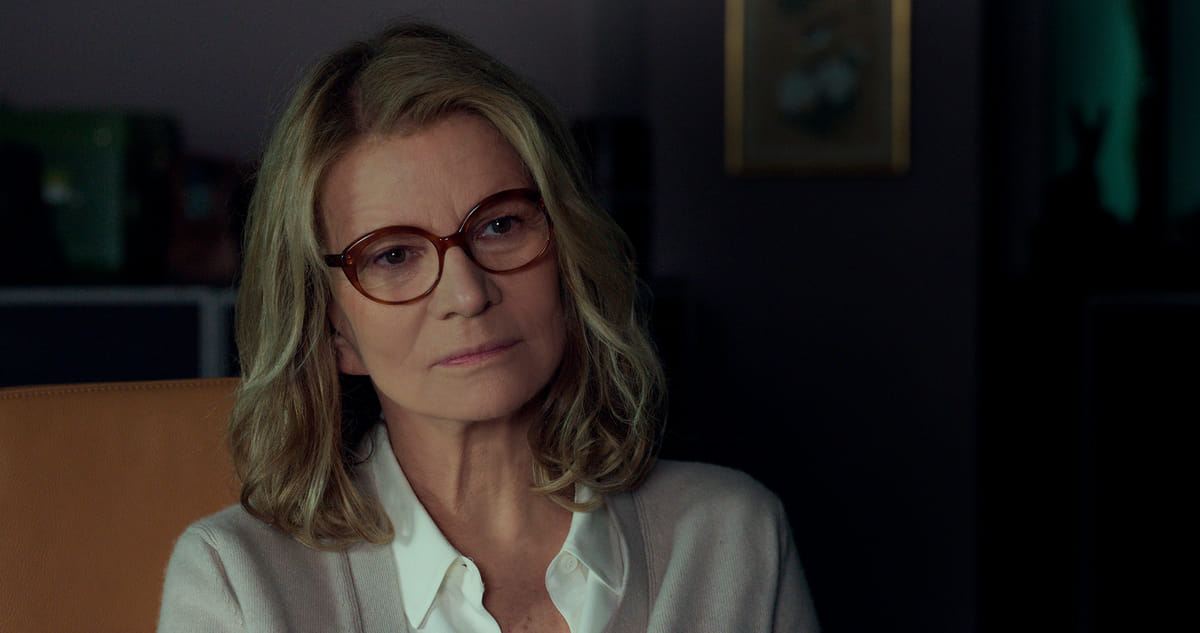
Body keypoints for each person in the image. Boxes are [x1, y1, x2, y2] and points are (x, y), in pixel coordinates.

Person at [157, 22, 818, 633]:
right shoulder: (237, 581)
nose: (468, 294)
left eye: (500, 225)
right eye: (393, 255)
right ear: (333, 330)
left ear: (569, 254)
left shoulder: (735, 538)